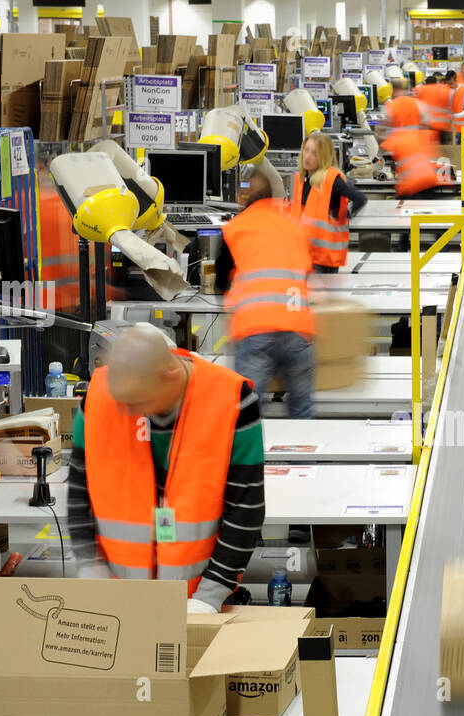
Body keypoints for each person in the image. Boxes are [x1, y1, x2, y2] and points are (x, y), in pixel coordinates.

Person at [67, 324, 264, 614]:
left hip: (201, 601)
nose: (130, 414)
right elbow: (78, 496)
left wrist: (210, 595)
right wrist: (90, 572)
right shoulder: (100, 398)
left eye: (138, 401)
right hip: (118, 601)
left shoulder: (233, 400)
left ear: (169, 374)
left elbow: (245, 509)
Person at [215, 162, 316, 418]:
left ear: (241, 198)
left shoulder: (234, 229)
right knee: (302, 412)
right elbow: (305, 270)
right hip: (297, 326)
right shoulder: (294, 227)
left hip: (254, 328)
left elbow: (220, 284)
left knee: (249, 414)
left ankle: (253, 458)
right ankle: (301, 457)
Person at [291, 130, 367, 273]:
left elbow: (360, 199)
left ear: (324, 157)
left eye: (314, 153)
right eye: (306, 150)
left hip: (323, 261)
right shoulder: (301, 179)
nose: (307, 157)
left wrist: (344, 215)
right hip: (304, 255)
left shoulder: (331, 180)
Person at [383, 79, 447, 197]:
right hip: (427, 175)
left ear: (393, 90)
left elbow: (383, 134)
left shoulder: (391, 106)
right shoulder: (418, 104)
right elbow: (428, 123)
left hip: (411, 183)